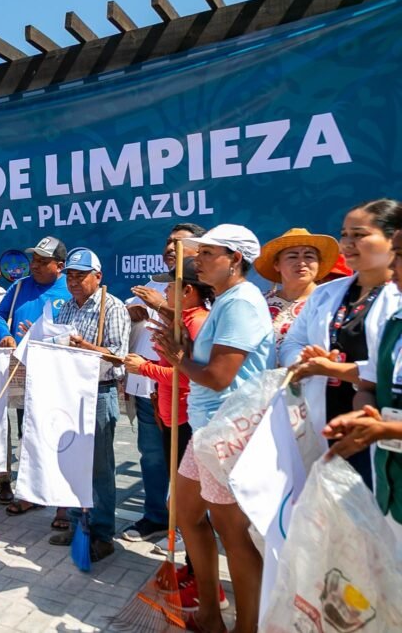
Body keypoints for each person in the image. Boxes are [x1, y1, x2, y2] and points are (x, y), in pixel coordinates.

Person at [152, 224, 273, 633]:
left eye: (206, 254)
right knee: (184, 513)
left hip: (228, 431)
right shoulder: (227, 299)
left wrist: (177, 358)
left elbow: (221, 377)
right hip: (207, 429)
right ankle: (209, 612)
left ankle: (245, 627)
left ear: (235, 260)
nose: (196, 261)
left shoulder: (241, 302)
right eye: (197, 253)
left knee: (231, 533)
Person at [283, 200, 402, 488]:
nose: (348, 243)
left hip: (382, 422)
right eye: (345, 234)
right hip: (327, 418)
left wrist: (332, 368)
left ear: (393, 238)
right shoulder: (327, 293)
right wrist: (305, 357)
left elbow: (386, 368)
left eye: (359, 235)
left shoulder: (396, 297)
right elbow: (293, 341)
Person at [125, 258, 214, 603]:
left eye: (170, 287)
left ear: (188, 291)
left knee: (192, 508)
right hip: (171, 417)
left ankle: (205, 582)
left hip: (189, 421)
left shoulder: (197, 323)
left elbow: (187, 376)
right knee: (181, 503)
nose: (164, 293)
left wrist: (144, 367)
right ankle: (192, 570)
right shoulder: (180, 319)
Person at [324, 203, 402, 545]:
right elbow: (373, 382)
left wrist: (384, 427)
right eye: (345, 235)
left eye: (399, 256)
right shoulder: (396, 326)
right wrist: (364, 406)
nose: (394, 268)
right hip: (391, 477)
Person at [46, 248, 130, 563]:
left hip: (98, 392)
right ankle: (78, 523)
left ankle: (103, 533)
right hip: (68, 392)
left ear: (98, 276)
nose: (74, 281)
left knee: (99, 468)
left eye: (80, 275)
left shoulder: (114, 307)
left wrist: (88, 347)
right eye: (69, 275)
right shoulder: (66, 308)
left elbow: (120, 356)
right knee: (71, 461)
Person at [123, 222, 204, 544]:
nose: (171, 249)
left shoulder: (205, 288)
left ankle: (191, 529)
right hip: (150, 388)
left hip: (185, 396)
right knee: (153, 457)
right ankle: (157, 518)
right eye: (169, 243)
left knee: (188, 464)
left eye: (180, 244)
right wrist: (134, 312)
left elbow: (195, 326)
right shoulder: (154, 283)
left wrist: (160, 306)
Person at [0, 235, 71, 505]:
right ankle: (29, 492)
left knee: (55, 433)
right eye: (33, 259)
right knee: (29, 431)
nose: (34, 265)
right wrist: (4, 336)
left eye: (42, 261)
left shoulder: (70, 290)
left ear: (59, 266)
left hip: (58, 374)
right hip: (24, 370)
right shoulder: (19, 286)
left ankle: (59, 499)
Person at [255, 228, 339, 363]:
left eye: (309, 256)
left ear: (319, 264)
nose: (301, 262)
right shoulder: (259, 301)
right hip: (260, 381)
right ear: (277, 265)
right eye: (292, 256)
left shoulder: (329, 302)